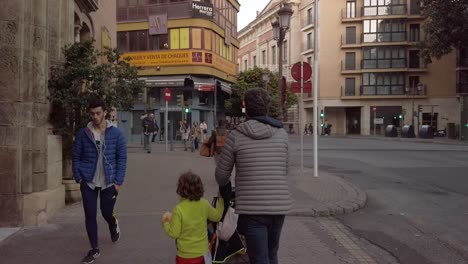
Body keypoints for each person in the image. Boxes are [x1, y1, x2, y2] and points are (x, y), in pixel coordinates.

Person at [215, 88, 292, 264]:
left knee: (258, 258)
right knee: (272, 254)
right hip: (278, 207)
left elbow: (221, 176)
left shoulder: (235, 135)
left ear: (246, 107)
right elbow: (286, 170)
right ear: (268, 107)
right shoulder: (282, 134)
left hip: (251, 209)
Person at [72, 97, 127, 264]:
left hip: (109, 182)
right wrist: (78, 177)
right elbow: (76, 156)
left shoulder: (116, 134)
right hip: (88, 181)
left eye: (98, 113)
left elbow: (122, 159)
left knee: (106, 212)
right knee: (90, 215)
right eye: (92, 114)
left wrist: (118, 182)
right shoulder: (84, 133)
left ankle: (112, 222)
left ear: (104, 113)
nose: (95, 117)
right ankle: (94, 249)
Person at [162, 171, 224, 264]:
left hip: (184, 256)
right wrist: (221, 200)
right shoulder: (204, 204)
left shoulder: (178, 209)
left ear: (180, 190)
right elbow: (217, 216)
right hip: (202, 253)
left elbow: (174, 233)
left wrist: (166, 223)